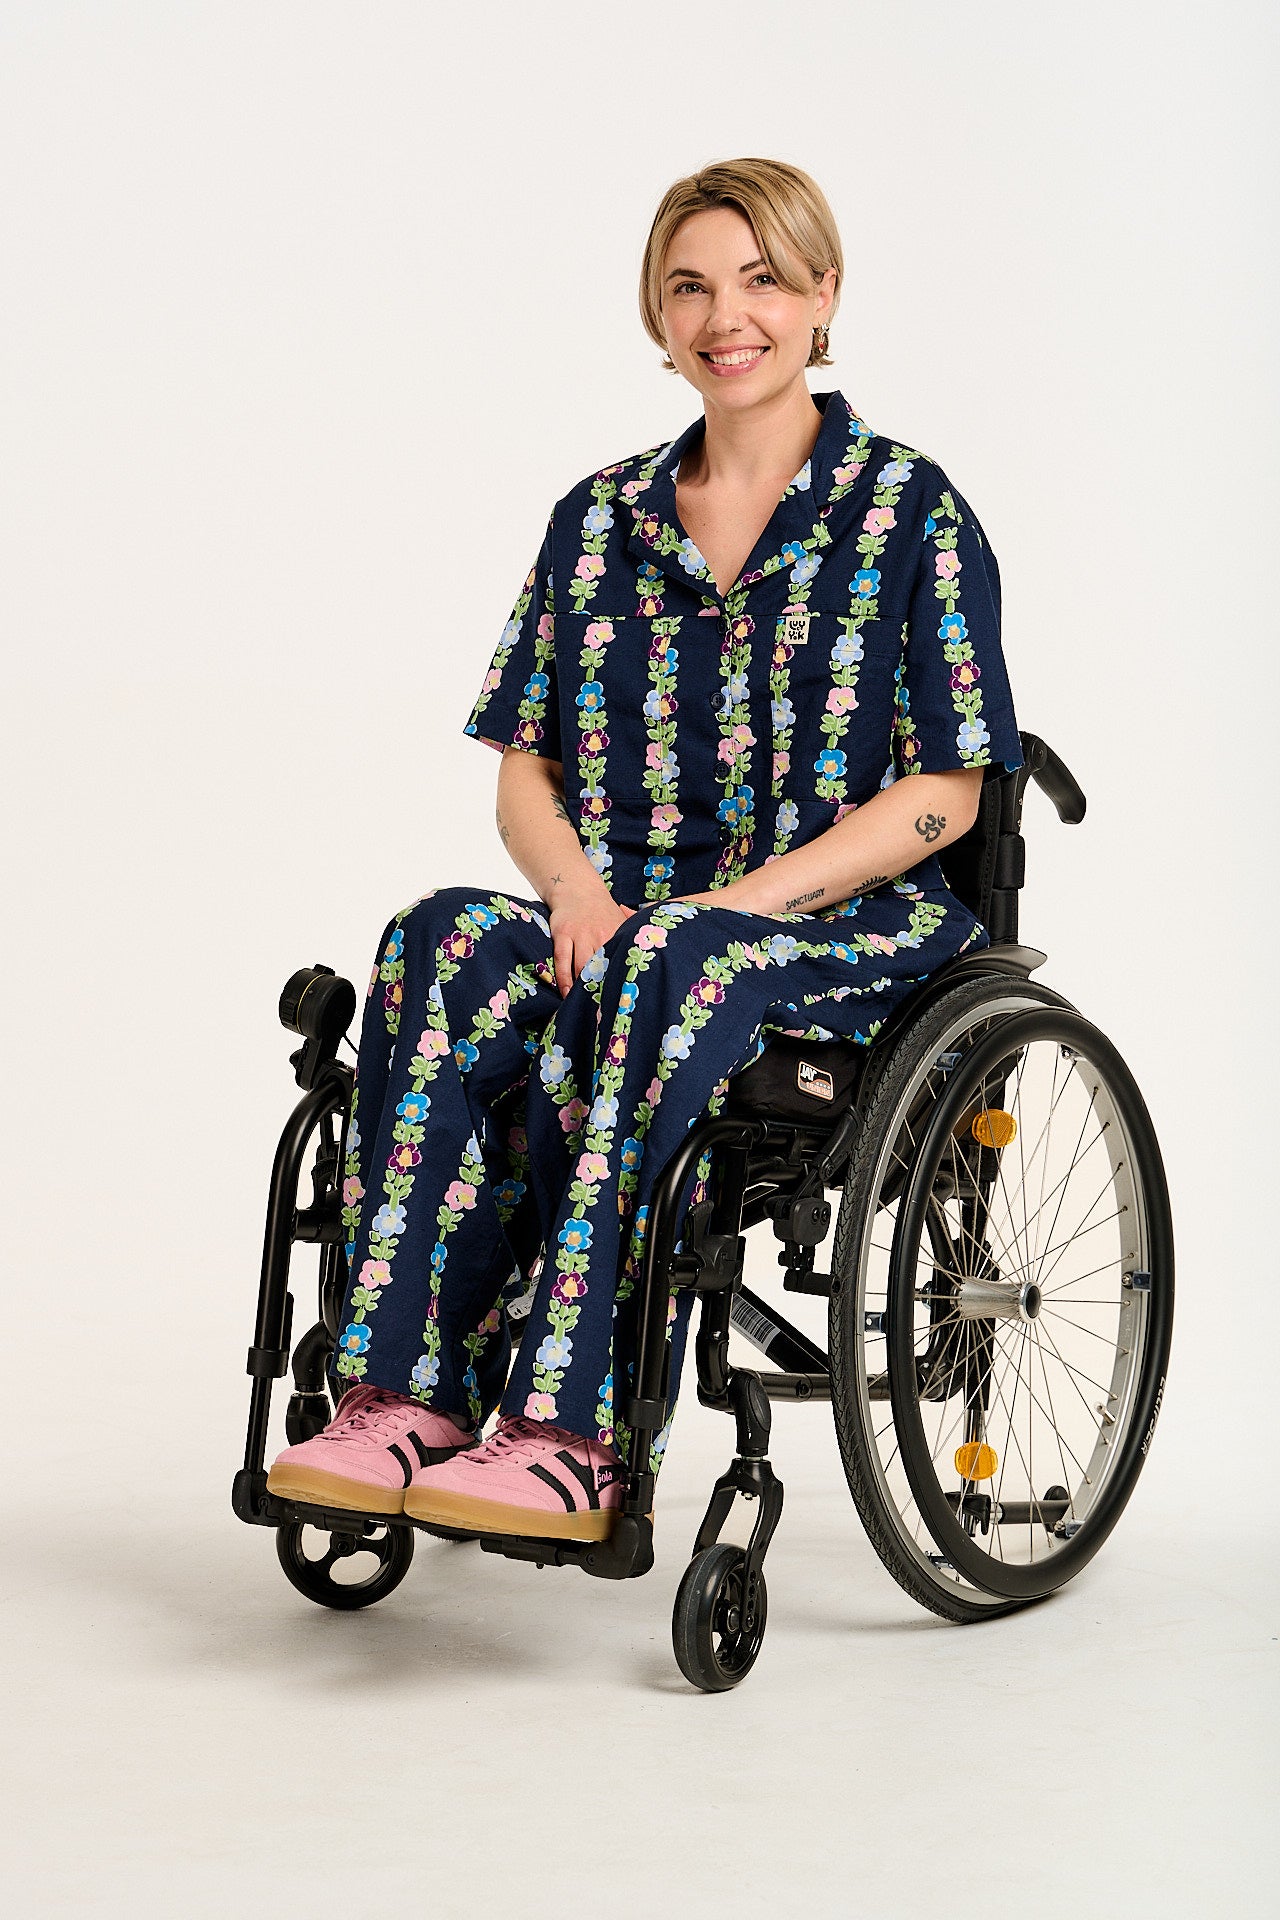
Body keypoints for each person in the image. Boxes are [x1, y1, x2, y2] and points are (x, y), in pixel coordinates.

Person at [267, 156, 1023, 1544]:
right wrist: (573, 894)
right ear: (656, 316)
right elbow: (525, 770)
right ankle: (401, 1400)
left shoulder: (908, 511)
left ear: (823, 296)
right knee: (440, 938)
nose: (726, 317)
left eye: (762, 281)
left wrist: (746, 903)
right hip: (629, 926)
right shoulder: (599, 520)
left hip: (843, 929)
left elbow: (949, 791)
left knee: (681, 954)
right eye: (690, 287)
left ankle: (571, 1434)